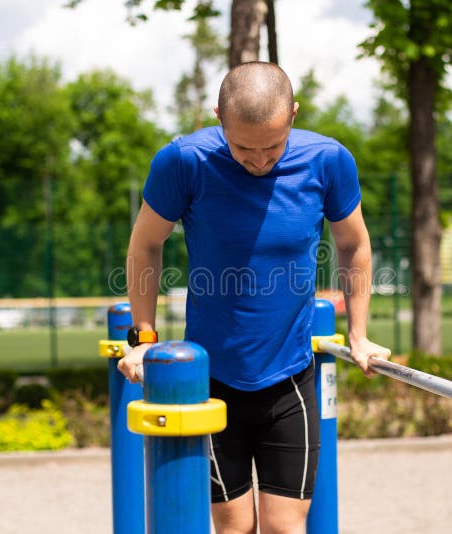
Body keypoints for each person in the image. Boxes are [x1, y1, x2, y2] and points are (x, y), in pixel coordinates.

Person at [119, 61, 390, 534]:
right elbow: (145, 244)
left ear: (293, 114)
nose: (260, 161)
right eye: (244, 147)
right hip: (212, 379)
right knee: (235, 528)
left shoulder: (327, 161)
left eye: (274, 146)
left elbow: (354, 244)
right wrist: (143, 337)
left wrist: (359, 335)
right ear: (219, 115)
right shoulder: (184, 162)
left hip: (290, 378)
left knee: (285, 528)